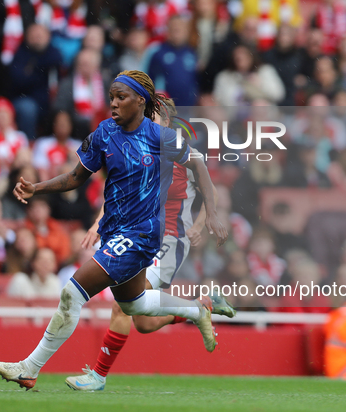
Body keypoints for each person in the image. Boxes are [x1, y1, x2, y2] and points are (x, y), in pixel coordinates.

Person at [0, 70, 228, 390]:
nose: (113, 103)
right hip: (117, 233)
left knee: (72, 293)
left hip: (143, 235)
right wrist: (37, 189)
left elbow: (198, 163)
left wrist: (211, 212)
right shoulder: (104, 133)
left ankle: (29, 368)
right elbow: (76, 177)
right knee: (135, 306)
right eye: (111, 96)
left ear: (141, 101)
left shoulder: (161, 138)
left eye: (121, 97)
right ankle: (197, 310)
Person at [65, 98, 234, 391]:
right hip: (137, 234)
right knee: (141, 322)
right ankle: (200, 307)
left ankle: (97, 377)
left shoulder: (182, 154)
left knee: (122, 308)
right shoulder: (137, 151)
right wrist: (96, 224)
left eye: (151, 117)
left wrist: (199, 224)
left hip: (169, 239)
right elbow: (119, 196)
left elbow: (212, 193)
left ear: (166, 121)